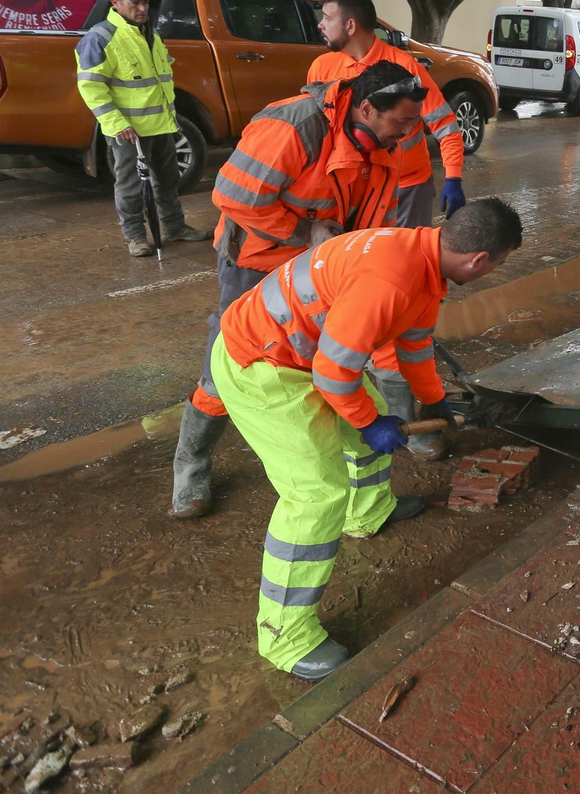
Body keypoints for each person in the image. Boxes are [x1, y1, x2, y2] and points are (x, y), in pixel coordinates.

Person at [209, 198, 522, 680]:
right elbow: (334, 375)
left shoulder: (423, 259)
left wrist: (433, 399)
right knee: (317, 495)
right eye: (497, 265)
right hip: (261, 366)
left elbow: (413, 344)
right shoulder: (391, 279)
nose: (491, 272)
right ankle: (284, 636)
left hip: (303, 357)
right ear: (479, 259)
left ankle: (368, 513)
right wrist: (369, 423)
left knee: (366, 432)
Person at [170, 60, 429, 520]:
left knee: (327, 362)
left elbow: (378, 218)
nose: (409, 132)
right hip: (259, 263)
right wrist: (305, 232)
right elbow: (233, 196)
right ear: (368, 109)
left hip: (324, 270)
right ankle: (190, 468)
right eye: (402, 121)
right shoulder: (294, 127)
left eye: (414, 122)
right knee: (232, 364)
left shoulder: (386, 144)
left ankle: (357, 492)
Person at [307, 0, 467, 425]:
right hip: (353, 186)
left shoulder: (405, 69)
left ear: (351, 24)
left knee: (403, 280)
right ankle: (355, 360)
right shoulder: (323, 68)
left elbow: (446, 125)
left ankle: (398, 375)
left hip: (407, 188)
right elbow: (322, 130)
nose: (320, 25)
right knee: (359, 276)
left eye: (327, 17)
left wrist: (453, 176)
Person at [73, 0, 210, 255]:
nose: (142, 8)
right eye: (135, 3)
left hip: (161, 124)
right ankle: (135, 236)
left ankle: (174, 227)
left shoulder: (151, 35)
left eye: (145, 2)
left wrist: (171, 119)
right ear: (116, 3)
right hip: (129, 131)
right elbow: (91, 87)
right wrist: (116, 123)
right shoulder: (101, 37)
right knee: (131, 186)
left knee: (168, 181)